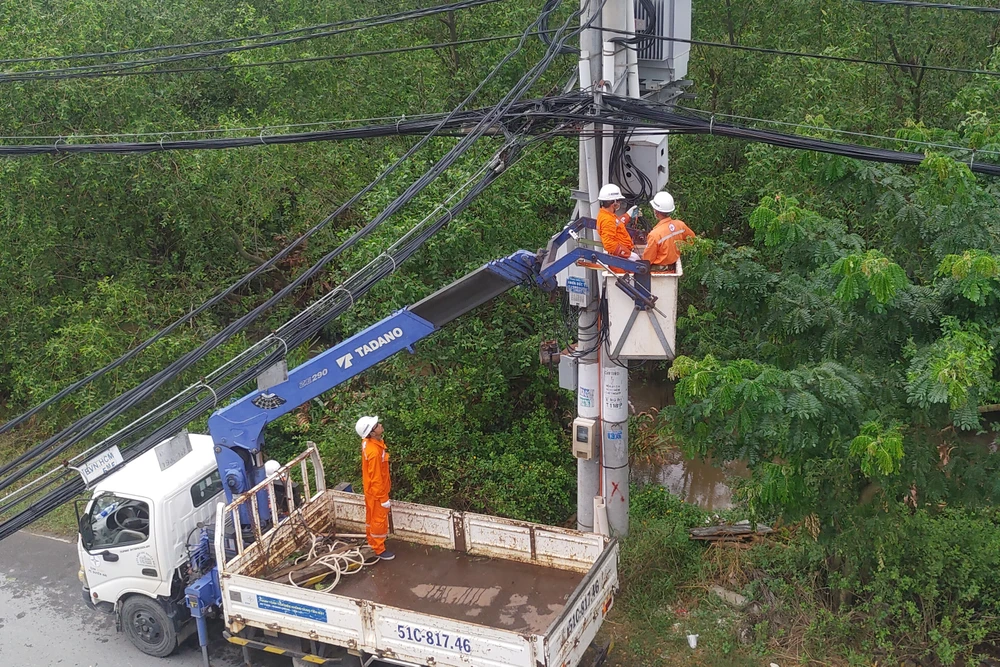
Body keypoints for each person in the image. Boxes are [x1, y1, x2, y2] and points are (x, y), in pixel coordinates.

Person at [356, 415, 394, 561]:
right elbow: (376, 477)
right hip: (377, 492)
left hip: (371, 490)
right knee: (378, 519)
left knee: (371, 518)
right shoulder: (374, 452)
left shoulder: (370, 443)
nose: (380, 425)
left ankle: (372, 541)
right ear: (371, 433)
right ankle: (379, 548)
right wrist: (383, 498)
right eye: (376, 425)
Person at [641, 191, 695, 270]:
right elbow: (692, 240)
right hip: (673, 266)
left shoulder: (655, 234)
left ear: (656, 211)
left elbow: (647, 261)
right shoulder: (680, 225)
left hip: (658, 271)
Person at [596, 183, 641, 261]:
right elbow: (609, 244)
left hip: (621, 256)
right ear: (614, 202)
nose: (620, 203)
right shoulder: (607, 220)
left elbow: (617, 224)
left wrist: (627, 215)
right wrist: (628, 255)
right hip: (620, 260)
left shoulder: (607, 215)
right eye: (619, 201)